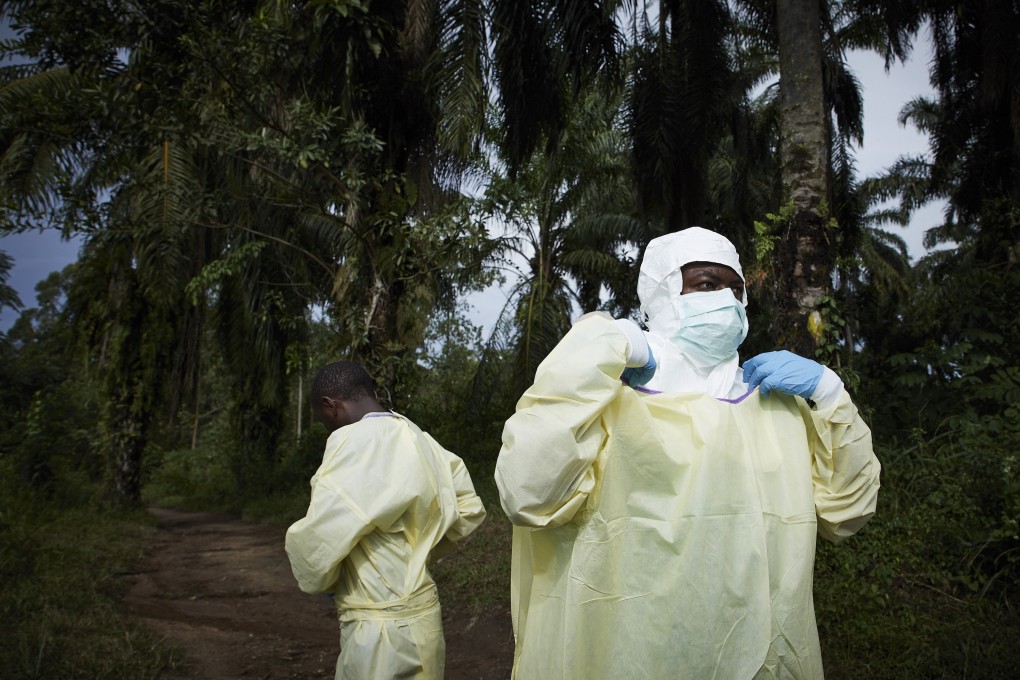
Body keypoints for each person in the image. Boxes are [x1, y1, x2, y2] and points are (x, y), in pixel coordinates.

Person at [495, 226, 881, 679]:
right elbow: (528, 493)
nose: (726, 301)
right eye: (705, 284)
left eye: (735, 290)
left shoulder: (779, 404)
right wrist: (602, 346)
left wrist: (831, 394)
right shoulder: (603, 399)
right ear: (661, 296)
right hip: (622, 654)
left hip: (757, 659)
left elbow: (849, 512)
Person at [286, 361, 486, 680]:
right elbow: (468, 506)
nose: (324, 424)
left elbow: (318, 542)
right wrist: (422, 547)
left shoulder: (350, 447)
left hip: (378, 634)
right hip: (424, 618)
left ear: (330, 405)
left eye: (321, 417)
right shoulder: (418, 438)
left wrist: (327, 578)